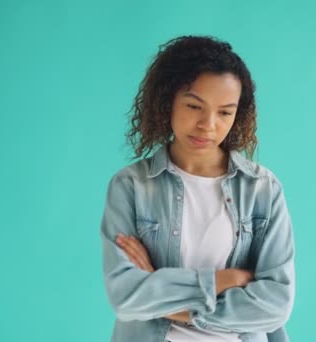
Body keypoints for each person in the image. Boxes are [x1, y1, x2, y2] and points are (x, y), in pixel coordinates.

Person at [100, 35, 296, 342]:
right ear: (168, 101)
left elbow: (276, 305)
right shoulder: (131, 186)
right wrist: (222, 280)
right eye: (194, 106)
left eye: (224, 112)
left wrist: (167, 297)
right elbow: (125, 297)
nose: (208, 124)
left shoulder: (262, 190)